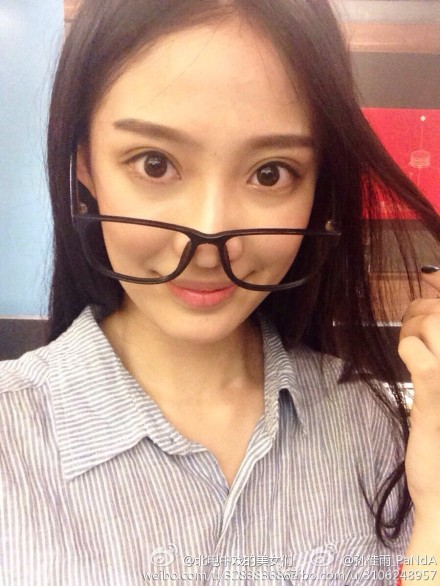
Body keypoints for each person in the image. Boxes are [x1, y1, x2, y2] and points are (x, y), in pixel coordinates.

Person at [1, 0, 439, 584]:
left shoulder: (371, 426)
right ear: (85, 165)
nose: (209, 240)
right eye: (154, 164)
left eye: (270, 173)